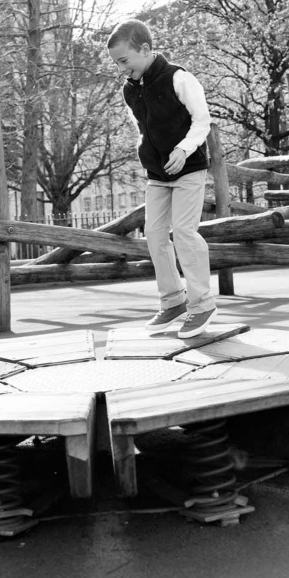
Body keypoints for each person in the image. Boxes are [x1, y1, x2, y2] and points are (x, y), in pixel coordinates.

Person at [108, 19, 217, 338]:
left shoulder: (178, 78)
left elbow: (202, 120)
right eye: (117, 63)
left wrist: (183, 150)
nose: (122, 69)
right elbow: (142, 127)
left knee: (184, 231)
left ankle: (202, 304)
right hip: (157, 174)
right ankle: (173, 301)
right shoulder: (129, 89)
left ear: (145, 50)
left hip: (189, 169)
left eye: (124, 61)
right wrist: (146, 151)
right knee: (154, 234)